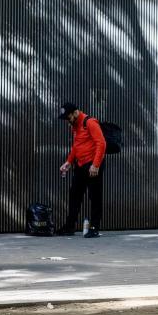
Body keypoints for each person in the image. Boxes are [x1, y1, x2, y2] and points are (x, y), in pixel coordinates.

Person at [54, 102, 107, 238]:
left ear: (75, 113)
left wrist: (95, 165)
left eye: (68, 117)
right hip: (80, 164)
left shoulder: (90, 122)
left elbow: (101, 143)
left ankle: (94, 227)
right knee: (74, 196)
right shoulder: (75, 126)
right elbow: (76, 146)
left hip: (92, 165)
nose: (67, 120)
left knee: (94, 197)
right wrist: (69, 162)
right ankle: (69, 227)